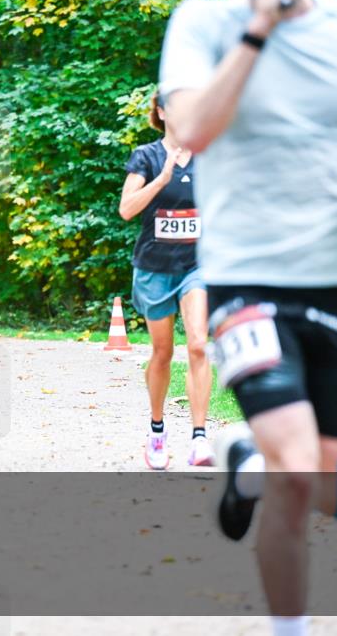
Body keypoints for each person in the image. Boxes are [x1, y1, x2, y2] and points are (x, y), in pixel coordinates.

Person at [160, 0, 337, 633]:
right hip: (247, 276)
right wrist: (258, 30)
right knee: (298, 474)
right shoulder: (202, 22)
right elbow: (192, 127)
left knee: (333, 491)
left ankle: (248, 459)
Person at [120, 91, 214, 470]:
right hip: (155, 267)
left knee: (198, 344)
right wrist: (161, 179)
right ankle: (157, 431)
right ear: (161, 111)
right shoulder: (146, 156)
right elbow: (127, 209)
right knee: (163, 352)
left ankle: (200, 438)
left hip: (197, 266)